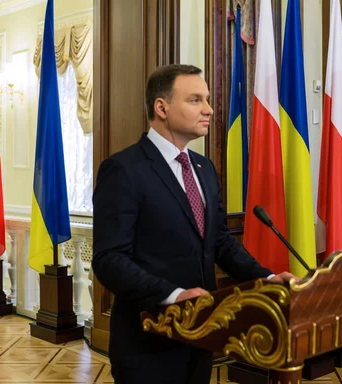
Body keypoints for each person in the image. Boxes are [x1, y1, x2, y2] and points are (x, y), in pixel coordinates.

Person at [92, 64, 295, 384]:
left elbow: (220, 242)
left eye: (208, 99)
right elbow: (109, 261)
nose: (209, 109)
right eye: (195, 100)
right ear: (162, 107)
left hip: (201, 338)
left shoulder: (202, 168)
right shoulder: (124, 170)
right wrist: (174, 295)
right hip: (148, 341)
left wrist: (265, 279)